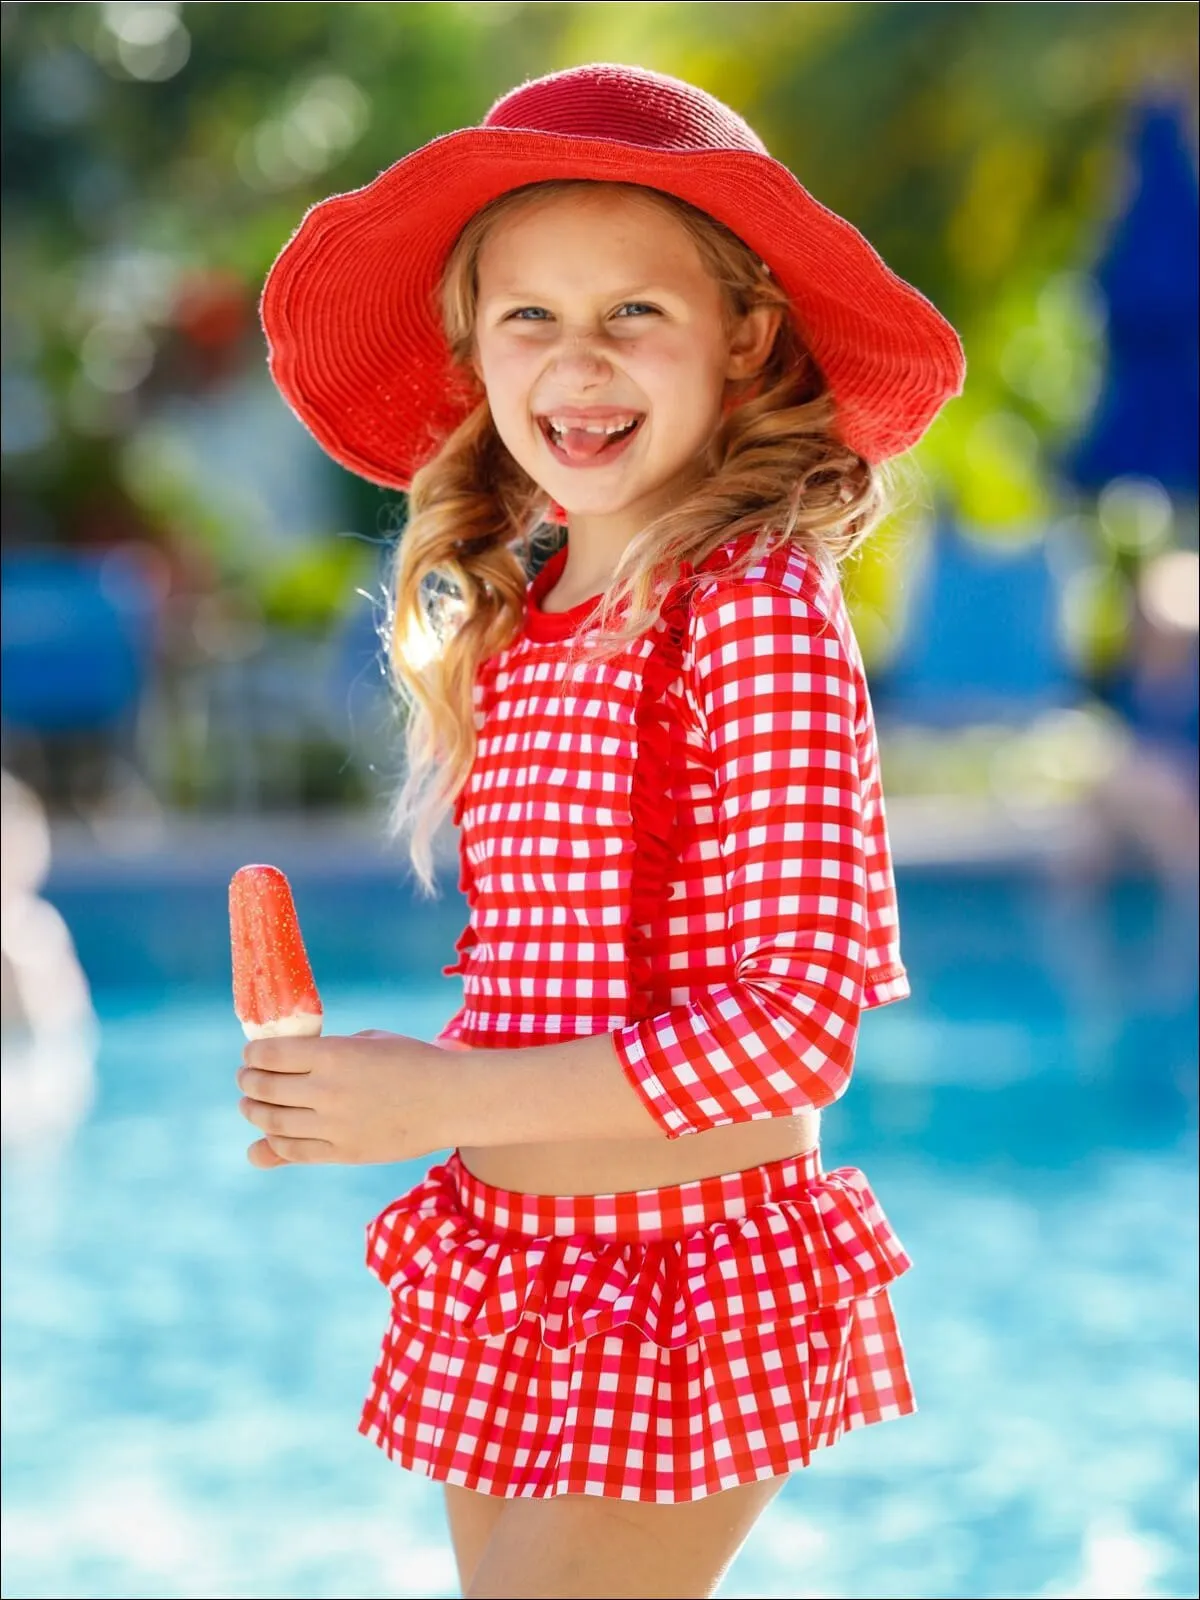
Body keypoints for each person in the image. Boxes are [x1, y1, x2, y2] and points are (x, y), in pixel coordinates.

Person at [245, 63, 965, 1599]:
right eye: (530, 319)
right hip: (516, 1267)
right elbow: (543, 983)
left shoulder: (755, 605)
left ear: (744, 336)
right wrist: (358, 1090)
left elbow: (793, 1034)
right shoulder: (527, 617)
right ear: (475, 350)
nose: (579, 363)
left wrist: (432, 1096)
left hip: (689, 1271)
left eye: (634, 313)